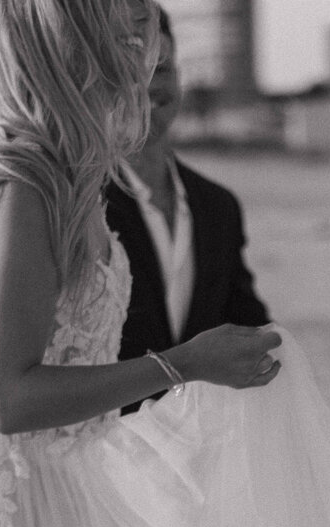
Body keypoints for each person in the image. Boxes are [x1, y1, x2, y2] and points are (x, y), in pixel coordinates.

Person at [0, 1, 330, 527]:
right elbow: (10, 398)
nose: (147, 60)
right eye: (129, 39)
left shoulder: (72, 174)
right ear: (75, 45)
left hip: (82, 486)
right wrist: (182, 364)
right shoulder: (25, 181)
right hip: (24, 508)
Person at [106, 8, 270, 414]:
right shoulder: (82, 204)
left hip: (197, 453)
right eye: (130, 72)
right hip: (104, 452)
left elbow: (248, 322)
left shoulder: (218, 205)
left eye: (161, 68)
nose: (148, 87)